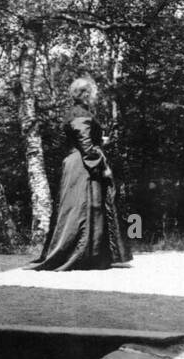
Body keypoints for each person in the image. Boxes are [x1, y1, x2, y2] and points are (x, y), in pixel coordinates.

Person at [28, 76, 132, 271]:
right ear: (84, 94)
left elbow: (82, 139)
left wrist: (100, 141)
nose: (92, 97)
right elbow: (85, 144)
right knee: (82, 210)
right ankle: (80, 255)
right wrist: (103, 165)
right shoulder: (80, 114)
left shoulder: (76, 113)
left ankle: (90, 255)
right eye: (91, 94)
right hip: (82, 166)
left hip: (77, 163)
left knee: (83, 209)